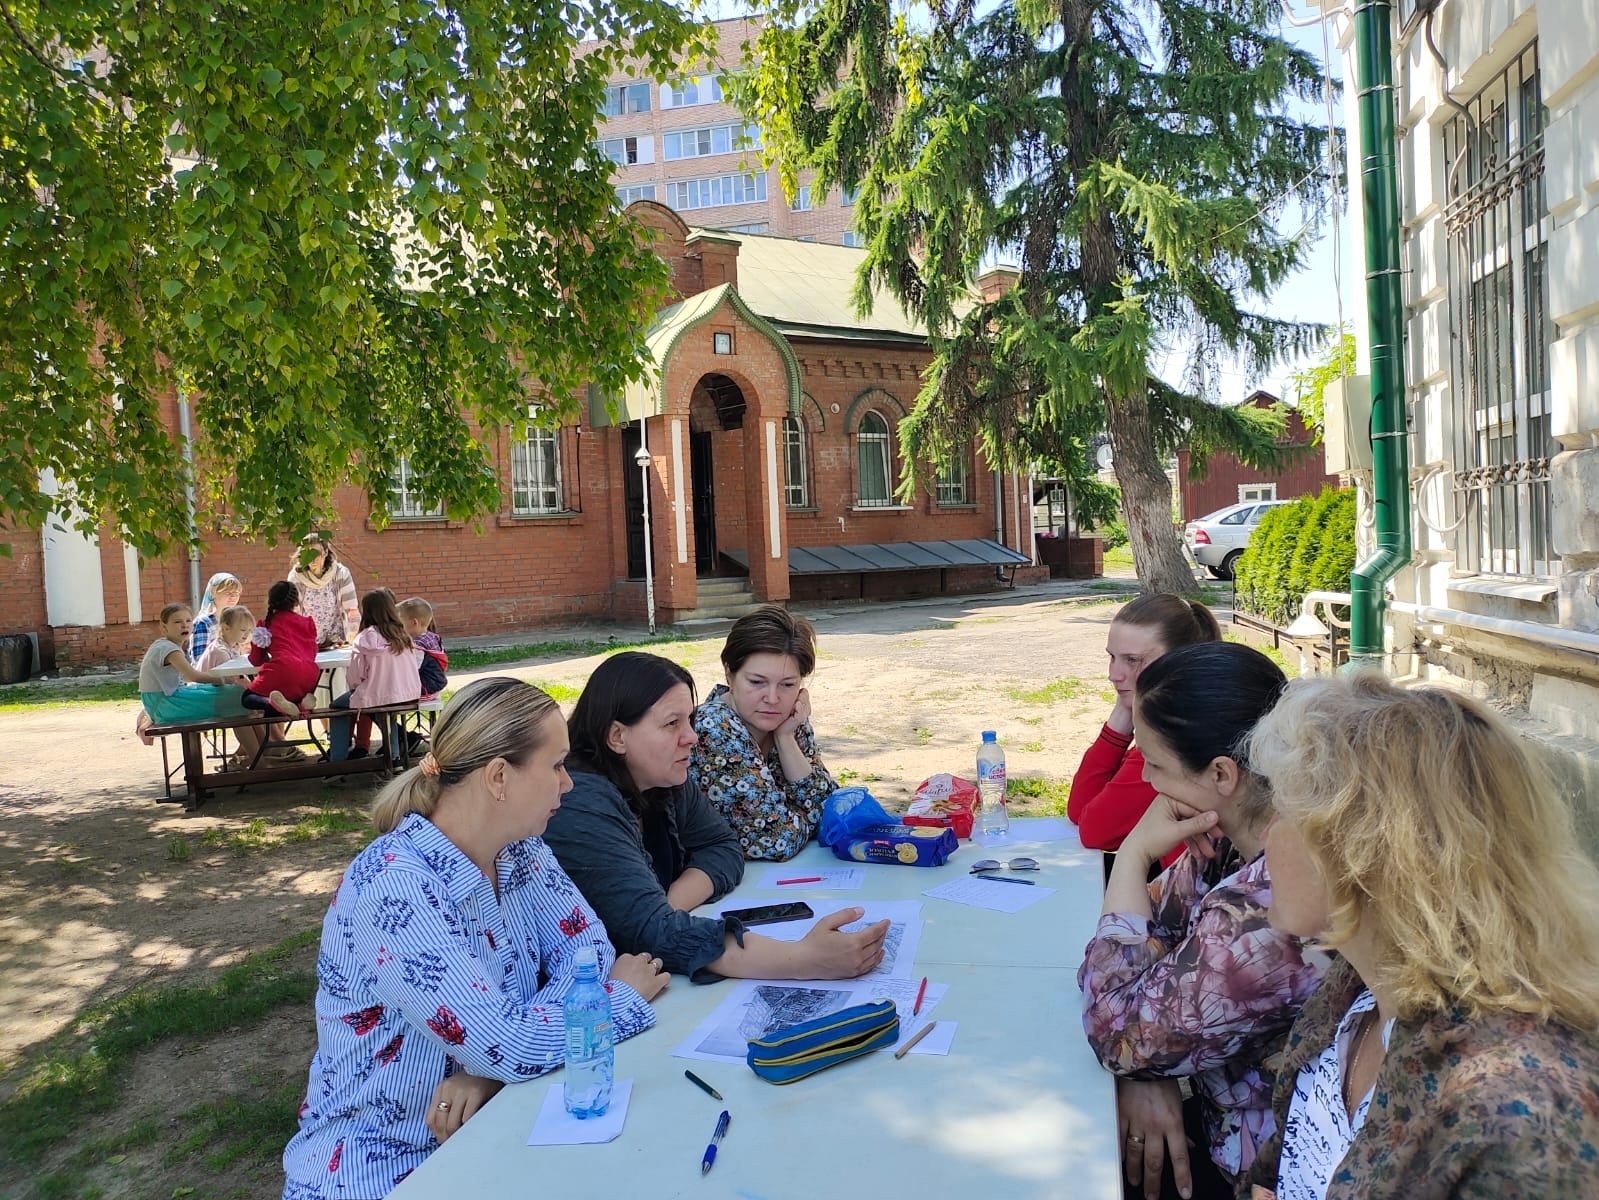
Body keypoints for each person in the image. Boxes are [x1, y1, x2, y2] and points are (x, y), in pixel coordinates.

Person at [282, 678, 669, 1199]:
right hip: (383, 1169)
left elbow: (588, 957)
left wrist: (491, 1073)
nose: (568, 784)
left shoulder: (519, 851)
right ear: (499, 778)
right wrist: (614, 1001)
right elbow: (511, 1038)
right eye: (556, 766)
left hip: (493, 1129)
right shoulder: (395, 887)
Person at [1242, 673, 1599, 1200]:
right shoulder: (1358, 995)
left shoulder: (1522, 1115)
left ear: (1359, 848)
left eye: (1283, 812)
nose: (1265, 835)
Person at [1079, 642, 1325, 1200]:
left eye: (1156, 764)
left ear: (1221, 773)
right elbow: (1143, 946)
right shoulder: (1235, 840)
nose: (1146, 782)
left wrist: (1138, 851)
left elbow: (1115, 1025)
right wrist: (1154, 1066)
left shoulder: (1269, 908)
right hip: (1216, 1116)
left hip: (1257, 1174)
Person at [542, 652, 888, 981]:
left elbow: (722, 846)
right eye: (672, 724)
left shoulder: (663, 776)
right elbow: (650, 932)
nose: (691, 737)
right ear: (617, 736)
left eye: (689, 720)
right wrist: (801, 959)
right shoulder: (579, 802)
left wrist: (667, 908)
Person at [1068, 593, 1222, 859]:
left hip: (1194, 896)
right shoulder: (1198, 714)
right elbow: (1079, 810)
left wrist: (1124, 713)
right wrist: (1122, 713)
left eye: (1132, 660)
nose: (1113, 675)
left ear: (1179, 661)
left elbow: (1094, 831)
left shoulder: (1174, 740)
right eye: (1112, 657)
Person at [690, 605, 835, 861]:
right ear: (729, 673)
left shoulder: (789, 718)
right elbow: (777, 841)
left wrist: (785, 738)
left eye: (788, 684)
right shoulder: (713, 727)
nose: (772, 698)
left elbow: (832, 810)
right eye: (756, 682)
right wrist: (813, 819)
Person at [139, 602, 267, 763]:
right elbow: (193, 677)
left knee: (239, 697)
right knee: (236, 699)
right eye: (177, 622)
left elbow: (185, 678)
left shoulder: (168, 646)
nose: (184, 625)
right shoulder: (168, 649)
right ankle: (258, 759)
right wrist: (223, 679)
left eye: (188, 621)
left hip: (168, 699)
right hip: (165, 705)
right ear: (164, 627)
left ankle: (263, 752)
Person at [328, 589, 423, 768]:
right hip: (408, 694)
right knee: (387, 713)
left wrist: (358, 689)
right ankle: (394, 758)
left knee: (337, 707)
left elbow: (356, 677)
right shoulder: (404, 636)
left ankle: (336, 761)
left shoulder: (363, 639)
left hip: (377, 696)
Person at [243, 581, 321, 720]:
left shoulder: (266, 624)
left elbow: (256, 661)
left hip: (282, 670)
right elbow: (313, 651)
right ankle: (301, 706)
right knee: (288, 695)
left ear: (270, 600)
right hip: (309, 675)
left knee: (247, 698)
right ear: (296, 601)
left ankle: (272, 705)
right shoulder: (308, 622)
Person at [287, 534, 359, 649]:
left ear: (325, 552)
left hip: (337, 643)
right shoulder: (296, 578)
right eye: (307, 553)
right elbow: (292, 616)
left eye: (316, 553)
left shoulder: (341, 574)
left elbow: (352, 610)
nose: (312, 559)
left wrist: (353, 640)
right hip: (307, 645)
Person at [188, 571, 243, 664]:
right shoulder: (203, 622)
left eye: (236, 593)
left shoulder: (236, 621)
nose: (233, 597)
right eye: (228, 592)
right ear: (213, 593)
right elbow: (199, 659)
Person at [194, 604, 254, 675]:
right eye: (243, 630)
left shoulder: (234, 646)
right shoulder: (221, 653)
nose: (247, 634)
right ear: (226, 628)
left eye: (249, 630)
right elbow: (229, 680)